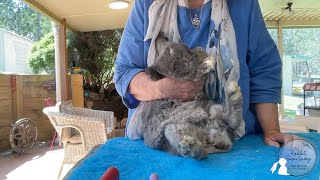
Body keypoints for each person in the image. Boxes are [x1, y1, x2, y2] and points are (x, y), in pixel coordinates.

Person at [114, 0, 296, 148]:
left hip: (236, 142)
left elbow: (263, 69)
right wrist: (163, 89)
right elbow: (125, 72)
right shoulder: (147, 4)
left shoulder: (244, 4)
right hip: (162, 142)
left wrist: (272, 129)